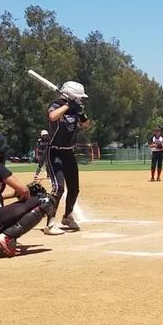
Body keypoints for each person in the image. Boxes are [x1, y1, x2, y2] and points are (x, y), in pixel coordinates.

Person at [0, 132, 56, 257]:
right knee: (46, 200)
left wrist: (14, 195)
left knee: (0, 209)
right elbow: (24, 190)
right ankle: (8, 237)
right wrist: (27, 199)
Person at [44, 81, 92, 235]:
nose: (81, 99)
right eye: (78, 97)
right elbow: (52, 117)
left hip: (69, 153)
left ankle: (67, 216)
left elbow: (86, 125)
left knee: (74, 188)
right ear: (71, 95)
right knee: (58, 188)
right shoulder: (56, 105)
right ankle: (50, 223)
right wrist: (68, 106)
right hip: (54, 152)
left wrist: (81, 112)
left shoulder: (75, 109)